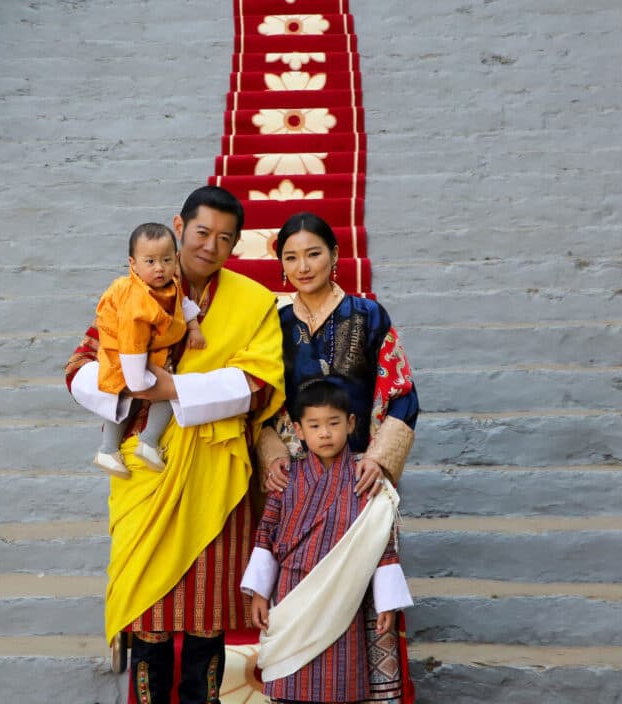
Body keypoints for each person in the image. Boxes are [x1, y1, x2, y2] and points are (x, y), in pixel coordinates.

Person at [64, 186, 286, 704]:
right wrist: (132, 387)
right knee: (149, 621)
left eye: (225, 238)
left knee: (208, 627)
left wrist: (174, 389)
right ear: (179, 226)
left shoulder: (253, 302)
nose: (211, 246)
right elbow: (80, 366)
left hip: (217, 473)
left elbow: (263, 384)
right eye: (202, 231)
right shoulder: (131, 290)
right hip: (148, 474)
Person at [256, 210, 422, 702]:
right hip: (298, 479)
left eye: (313, 253)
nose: (303, 266)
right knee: (297, 580)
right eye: (291, 257)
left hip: (360, 474)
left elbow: (402, 394)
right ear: (281, 264)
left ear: (335, 256)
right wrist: (271, 456)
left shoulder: (368, 315)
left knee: (369, 592)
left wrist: (380, 460)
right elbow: (260, 400)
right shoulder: (274, 324)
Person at [242, 379, 413, 704]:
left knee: (339, 682)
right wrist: (259, 594)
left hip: (343, 598)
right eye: (315, 425)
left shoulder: (365, 477)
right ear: (298, 430)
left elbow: (380, 540)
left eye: (333, 424)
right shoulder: (286, 478)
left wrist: (386, 600)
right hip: (293, 592)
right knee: (289, 679)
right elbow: (265, 536)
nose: (324, 433)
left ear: (350, 424)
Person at [90, 222, 206, 477]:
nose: (159, 268)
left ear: (176, 259)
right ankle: (110, 448)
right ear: (133, 264)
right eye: (150, 261)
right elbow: (131, 341)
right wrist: (138, 380)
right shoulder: (135, 298)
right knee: (126, 397)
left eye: (166, 260)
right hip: (125, 354)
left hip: (150, 352)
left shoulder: (170, 284)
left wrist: (194, 329)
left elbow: (182, 305)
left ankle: (146, 442)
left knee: (165, 393)